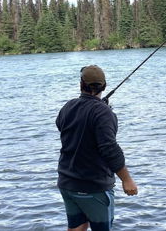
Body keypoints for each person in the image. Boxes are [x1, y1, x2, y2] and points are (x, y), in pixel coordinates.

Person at [56, 65, 138, 231]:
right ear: (104, 86)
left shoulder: (68, 107)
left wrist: (96, 109)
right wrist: (126, 179)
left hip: (67, 183)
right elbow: (109, 148)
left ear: (81, 84)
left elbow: (62, 125)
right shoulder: (103, 113)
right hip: (93, 187)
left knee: (77, 227)